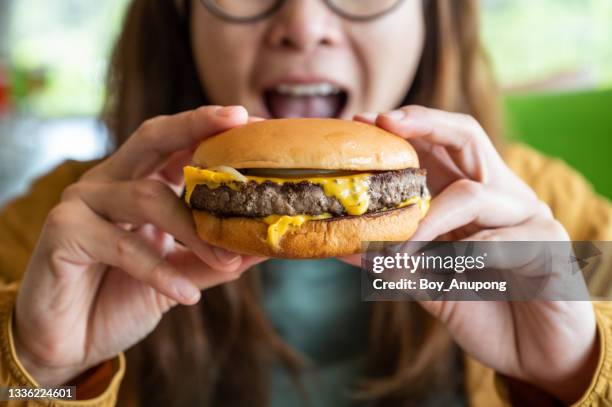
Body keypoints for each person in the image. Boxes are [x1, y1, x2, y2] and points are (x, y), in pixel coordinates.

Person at [1, 0, 611, 405]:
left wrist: (574, 374)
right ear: (181, 15)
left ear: (433, 15)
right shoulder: (63, 233)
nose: (303, 23)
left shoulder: (551, 217)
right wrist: (41, 375)